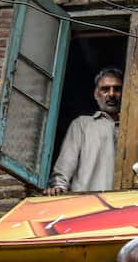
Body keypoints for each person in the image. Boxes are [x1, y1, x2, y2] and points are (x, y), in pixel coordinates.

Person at [46, 67, 123, 195]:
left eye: (117, 89)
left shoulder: (135, 127)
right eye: (105, 89)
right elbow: (67, 161)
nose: (111, 94)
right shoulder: (82, 124)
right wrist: (58, 186)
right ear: (96, 94)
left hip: (127, 203)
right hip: (86, 202)